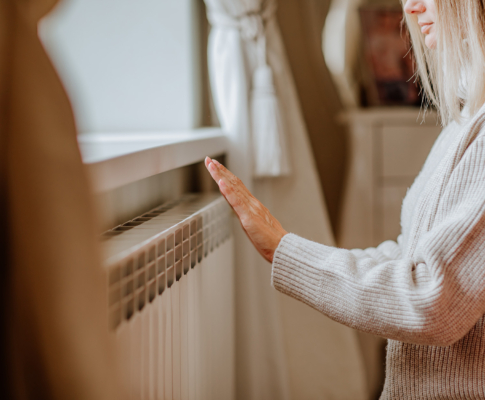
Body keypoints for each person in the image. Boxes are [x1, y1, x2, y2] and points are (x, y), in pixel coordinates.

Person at [205, 0, 485, 398]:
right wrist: (289, 249)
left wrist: (284, 250)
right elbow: (409, 256)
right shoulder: (464, 123)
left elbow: (429, 299)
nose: (410, 6)